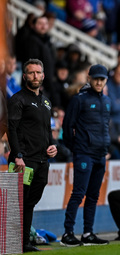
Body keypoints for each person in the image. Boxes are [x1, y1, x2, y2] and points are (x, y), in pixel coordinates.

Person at [7, 59, 58, 252]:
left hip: (42, 161)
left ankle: (24, 242)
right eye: (31, 73)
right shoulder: (18, 100)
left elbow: (47, 130)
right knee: (18, 202)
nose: (35, 76)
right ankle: (15, 241)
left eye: (38, 72)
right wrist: (18, 155)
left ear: (43, 75)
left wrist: (53, 146)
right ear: (25, 76)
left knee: (30, 203)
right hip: (24, 160)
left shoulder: (46, 101)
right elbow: (12, 129)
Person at [60, 64, 111, 247]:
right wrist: (77, 149)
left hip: (100, 155)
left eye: (102, 79)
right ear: (89, 78)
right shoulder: (79, 99)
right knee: (78, 193)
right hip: (84, 154)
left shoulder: (106, 101)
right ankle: (68, 233)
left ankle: (88, 233)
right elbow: (67, 128)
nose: (98, 82)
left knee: (93, 195)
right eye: (95, 78)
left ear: (106, 80)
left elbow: (105, 127)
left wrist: (106, 148)